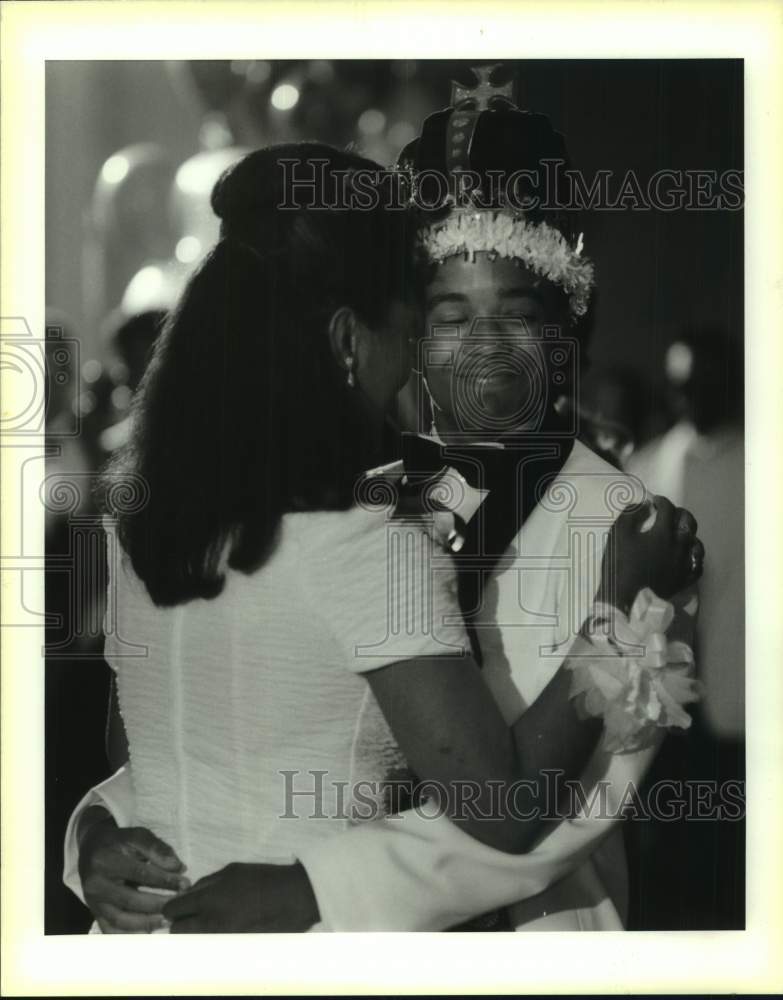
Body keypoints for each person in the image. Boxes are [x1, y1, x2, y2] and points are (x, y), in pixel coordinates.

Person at [64, 138, 702, 934]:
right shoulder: (352, 500)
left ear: (561, 339)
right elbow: (224, 730)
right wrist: (95, 826)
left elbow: (590, 794)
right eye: (448, 314)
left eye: (515, 314)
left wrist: (319, 887)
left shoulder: (626, 522)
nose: (484, 343)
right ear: (397, 335)